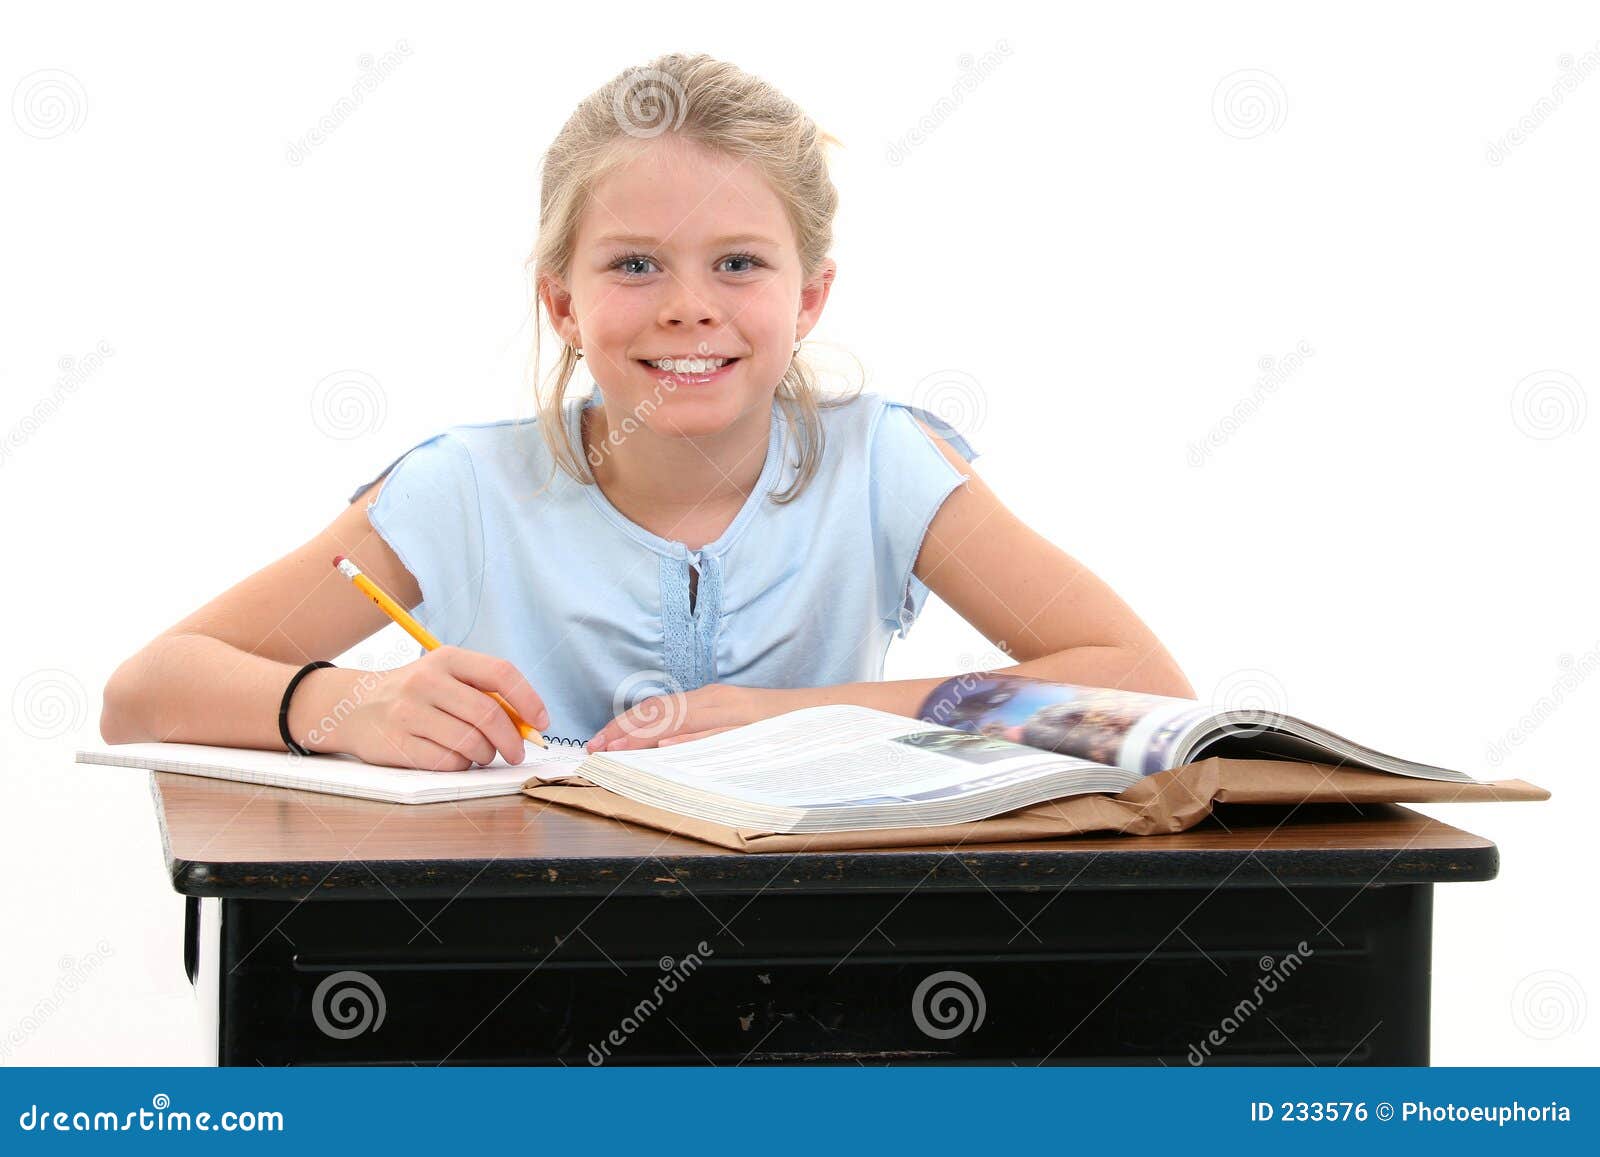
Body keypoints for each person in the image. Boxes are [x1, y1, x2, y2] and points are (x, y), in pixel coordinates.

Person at [100, 53, 1194, 771]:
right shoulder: (466, 490)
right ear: (562, 301)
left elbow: (1142, 683)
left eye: (737, 263)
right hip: (527, 956)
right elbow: (144, 690)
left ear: (808, 297)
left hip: (820, 949)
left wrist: (795, 718)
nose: (688, 309)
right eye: (634, 263)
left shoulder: (883, 466)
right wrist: (352, 705)